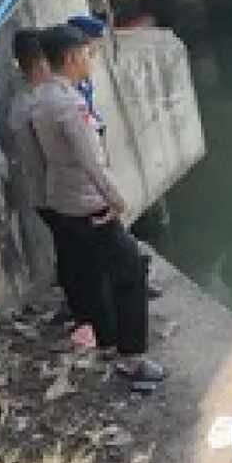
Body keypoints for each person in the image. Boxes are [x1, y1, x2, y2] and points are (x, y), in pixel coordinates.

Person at [32, 24, 164, 391]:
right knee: (130, 272)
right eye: (87, 54)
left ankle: (107, 342)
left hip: (63, 200)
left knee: (92, 273)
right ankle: (132, 357)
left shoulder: (40, 98)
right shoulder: (70, 106)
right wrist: (116, 199)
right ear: (72, 57)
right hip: (89, 203)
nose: (90, 60)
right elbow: (91, 161)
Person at [8, 28, 90, 332]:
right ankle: (85, 310)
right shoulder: (36, 105)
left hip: (47, 193)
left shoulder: (26, 103)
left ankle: (81, 308)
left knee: (71, 251)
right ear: (41, 63)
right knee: (77, 253)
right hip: (54, 194)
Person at [66, 13, 107, 137]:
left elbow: (88, 104)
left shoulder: (85, 72)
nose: (97, 48)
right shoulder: (70, 73)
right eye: (95, 42)